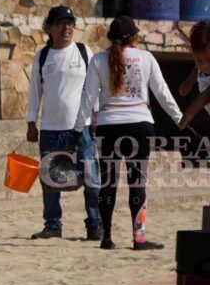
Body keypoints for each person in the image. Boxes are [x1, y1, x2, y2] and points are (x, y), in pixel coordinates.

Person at [74, 16, 184, 250]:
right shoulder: (146, 58)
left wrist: (77, 128)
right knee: (137, 184)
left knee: (108, 183)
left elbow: (88, 98)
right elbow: (162, 92)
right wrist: (180, 119)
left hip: (108, 127)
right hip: (140, 126)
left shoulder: (98, 60)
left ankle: (107, 238)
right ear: (134, 36)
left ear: (110, 37)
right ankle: (139, 238)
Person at [25, 6, 102, 241]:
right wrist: (31, 122)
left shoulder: (84, 51)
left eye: (70, 23)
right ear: (49, 27)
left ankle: (95, 225)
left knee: (91, 177)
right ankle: (52, 225)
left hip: (82, 128)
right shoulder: (42, 56)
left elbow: (94, 88)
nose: (66, 27)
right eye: (60, 23)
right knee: (49, 180)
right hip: (50, 129)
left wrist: (97, 116)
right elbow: (35, 91)